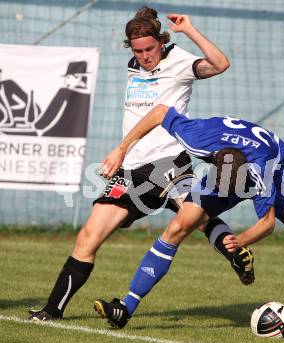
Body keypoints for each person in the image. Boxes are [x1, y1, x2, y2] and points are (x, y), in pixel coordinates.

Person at [94, 104, 284, 339]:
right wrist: (122, 149)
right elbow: (159, 112)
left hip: (281, 177)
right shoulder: (201, 137)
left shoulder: (262, 172)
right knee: (178, 227)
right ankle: (126, 308)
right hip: (227, 163)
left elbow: (267, 223)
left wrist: (240, 241)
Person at [29, 6, 254, 322]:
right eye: (138, 50)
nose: (145, 55)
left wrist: (189, 30)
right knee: (88, 237)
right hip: (130, 172)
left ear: (161, 42)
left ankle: (235, 252)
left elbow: (221, 64)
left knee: (197, 217)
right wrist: (122, 154)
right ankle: (51, 311)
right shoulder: (134, 66)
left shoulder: (178, 61)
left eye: (150, 49)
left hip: (168, 164)